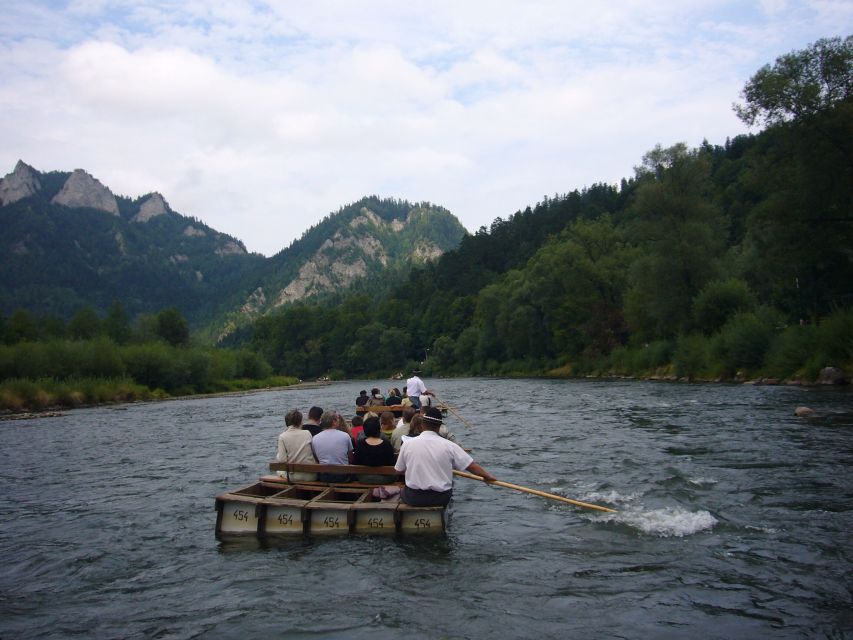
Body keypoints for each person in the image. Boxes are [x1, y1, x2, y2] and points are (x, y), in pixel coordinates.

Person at [395, 407, 495, 506]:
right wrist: (487, 476)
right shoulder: (450, 445)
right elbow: (471, 466)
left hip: (414, 497)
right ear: (439, 427)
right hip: (440, 498)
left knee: (403, 491)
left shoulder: (407, 444)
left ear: (422, 425)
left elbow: (399, 470)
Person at [275, 408, 318, 481]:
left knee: (279, 471)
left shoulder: (282, 436)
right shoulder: (307, 433)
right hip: (311, 476)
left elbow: (282, 460)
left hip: (294, 476)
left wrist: (278, 455)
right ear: (300, 422)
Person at [311, 409, 353, 482]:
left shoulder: (315, 438)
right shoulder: (345, 436)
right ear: (334, 422)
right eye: (337, 419)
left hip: (324, 476)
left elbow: (316, 458)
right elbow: (350, 457)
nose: (339, 420)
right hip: (342, 476)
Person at [352, 418, 396, 484]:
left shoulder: (360, 444)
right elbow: (392, 463)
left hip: (364, 478)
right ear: (379, 430)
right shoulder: (386, 444)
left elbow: (355, 462)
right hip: (384, 479)